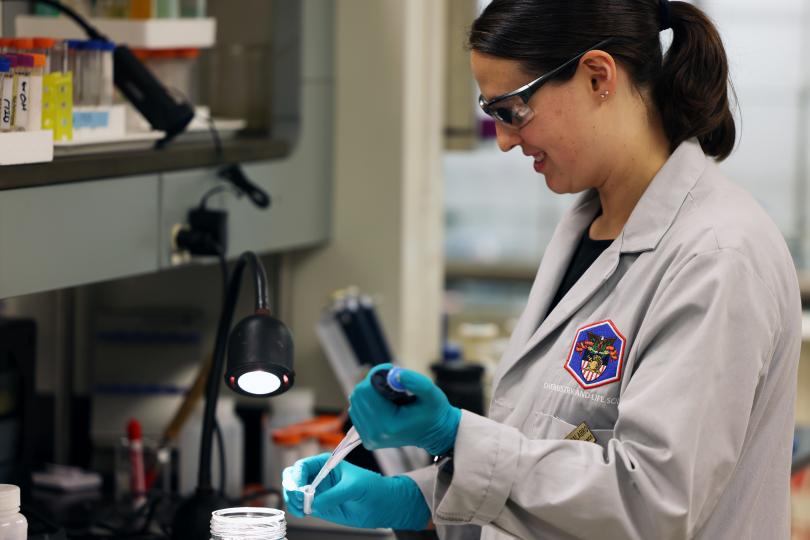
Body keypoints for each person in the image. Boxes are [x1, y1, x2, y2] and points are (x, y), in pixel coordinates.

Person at [283, 0, 802, 538]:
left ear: (598, 76)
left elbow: (650, 503)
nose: (504, 140)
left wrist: (453, 434)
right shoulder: (587, 228)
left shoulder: (717, 256)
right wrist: (418, 501)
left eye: (511, 111)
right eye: (492, 114)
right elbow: (547, 461)